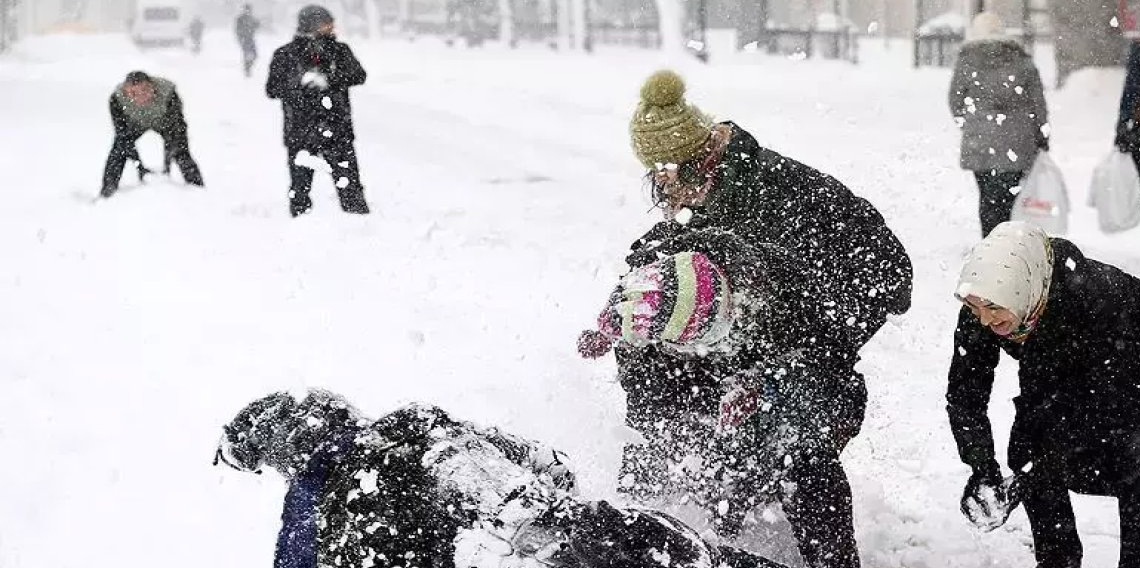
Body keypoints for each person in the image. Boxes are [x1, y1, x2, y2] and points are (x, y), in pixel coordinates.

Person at [608, 69, 912, 567]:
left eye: (666, 176)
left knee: (794, 438)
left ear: (697, 163)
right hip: (748, 337)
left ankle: (831, 559)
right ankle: (649, 522)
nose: (663, 193)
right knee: (659, 383)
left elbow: (888, 278)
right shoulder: (701, 200)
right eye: (653, 177)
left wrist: (803, 353)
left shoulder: (781, 195)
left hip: (821, 332)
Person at [214, 389, 790, 568]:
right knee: (632, 542)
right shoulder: (412, 425)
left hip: (507, 536)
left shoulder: (318, 506)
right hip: (542, 521)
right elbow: (540, 458)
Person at [579, 228, 870, 568]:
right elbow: (645, 428)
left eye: (720, 329)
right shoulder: (644, 321)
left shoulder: (786, 287)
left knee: (804, 459)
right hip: (692, 378)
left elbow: (835, 370)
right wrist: (637, 506)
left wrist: (763, 384)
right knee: (684, 458)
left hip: (788, 385)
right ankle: (715, 530)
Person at [946, 221, 1140, 567]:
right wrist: (981, 467)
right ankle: (1057, 559)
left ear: (1023, 292)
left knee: (1132, 461)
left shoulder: (1099, 299)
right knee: (1027, 447)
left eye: (992, 308)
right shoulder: (986, 304)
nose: (986, 321)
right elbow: (965, 396)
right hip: (1067, 382)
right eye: (976, 310)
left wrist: (1033, 474)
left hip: (1125, 389)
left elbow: (1101, 409)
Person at [948, 12, 1050, 237]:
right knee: (1009, 197)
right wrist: (1042, 134)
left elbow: (955, 99)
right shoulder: (1021, 59)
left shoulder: (967, 59)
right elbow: (1037, 102)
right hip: (1017, 140)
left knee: (987, 196)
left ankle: (990, 241)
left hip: (980, 141)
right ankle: (1008, 241)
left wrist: (970, 123)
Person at [266, 5, 370, 217]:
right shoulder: (286, 54)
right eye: (326, 23)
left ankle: (360, 230)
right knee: (300, 190)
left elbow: (359, 75)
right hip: (300, 132)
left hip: (337, 130)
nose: (331, 27)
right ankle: (301, 232)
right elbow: (272, 89)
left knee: (350, 188)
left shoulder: (340, 51)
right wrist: (299, 84)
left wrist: (329, 80)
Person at [101, 71, 204, 198]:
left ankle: (198, 189)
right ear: (126, 92)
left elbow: (177, 130)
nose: (140, 97)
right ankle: (107, 192)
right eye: (133, 93)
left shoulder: (168, 94)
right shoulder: (116, 100)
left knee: (181, 151)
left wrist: (167, 165)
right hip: (135, 123)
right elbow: (123, 135)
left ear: (152, 86)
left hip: (165, 122)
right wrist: (140, 167)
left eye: (144, 90)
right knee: (118, 151)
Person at [235, 4, 260, 77]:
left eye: (249, 10)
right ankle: (247, 69)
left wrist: (258, 24)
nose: (248, 11)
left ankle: (248, 68)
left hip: (250, 39)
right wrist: (240, 38)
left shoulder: (251, 18)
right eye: (247, 9)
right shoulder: (240, 19)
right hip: (244, 39)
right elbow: (237, 30)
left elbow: (256, 26)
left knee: (255, 55)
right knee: (247, 54)